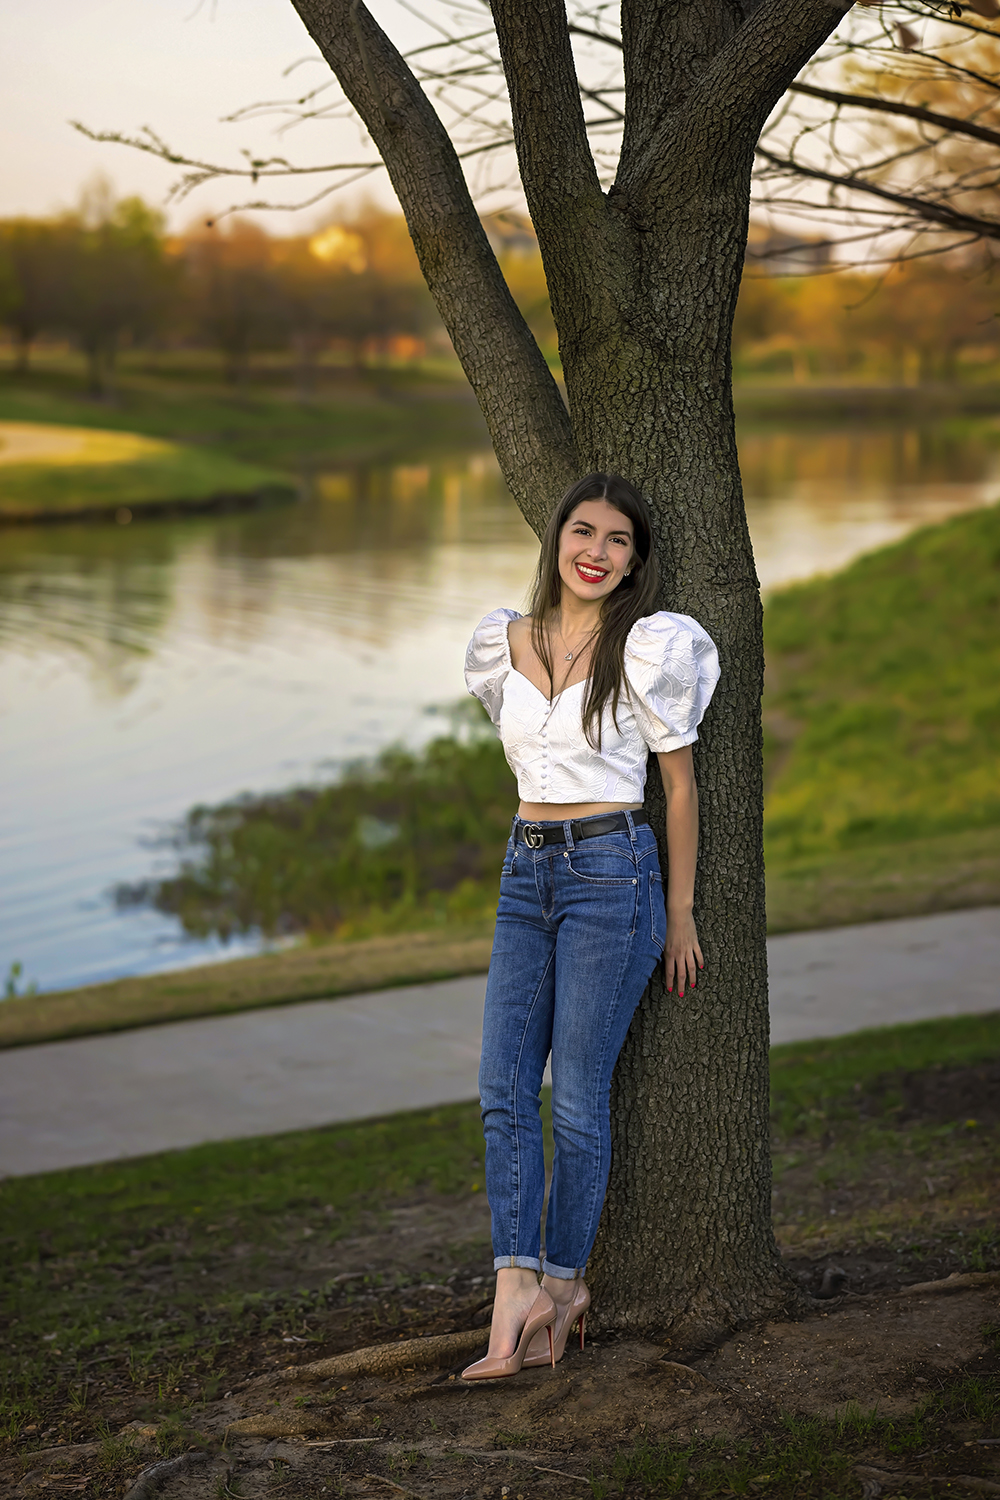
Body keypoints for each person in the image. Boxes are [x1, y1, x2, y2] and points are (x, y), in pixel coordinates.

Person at [460, 472, 720, 1381]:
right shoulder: (506, 641)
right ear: (556, 540)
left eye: (618, 540)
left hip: (612, 872)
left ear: (635, 560)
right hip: (523, 866)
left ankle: (564, 1285)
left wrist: (679, 912)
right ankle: (513, 1285)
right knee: (501, 1088)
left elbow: (679, 785)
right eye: (584, 531)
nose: (597, 552)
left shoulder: (650, 649)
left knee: (574, 1098)